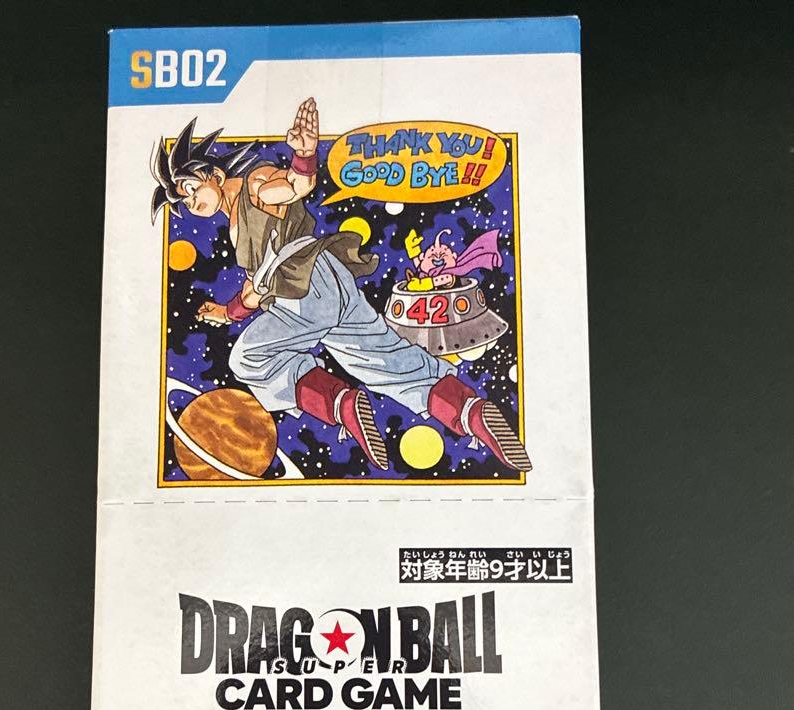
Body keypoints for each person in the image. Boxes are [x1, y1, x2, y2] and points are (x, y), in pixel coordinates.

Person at [151, 98, 532, 473]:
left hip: (304, 289)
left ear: (214, 175)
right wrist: (228, 312)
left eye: (190, 188)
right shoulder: (237, 219)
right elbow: (256, 287)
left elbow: (294, 186)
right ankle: (470, 411)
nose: (190, 202)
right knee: (386, 361)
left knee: (249, 358)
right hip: (331, 280)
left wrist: (304, 156)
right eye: (183, 201)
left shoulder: (254, 186)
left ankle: (341, 404)